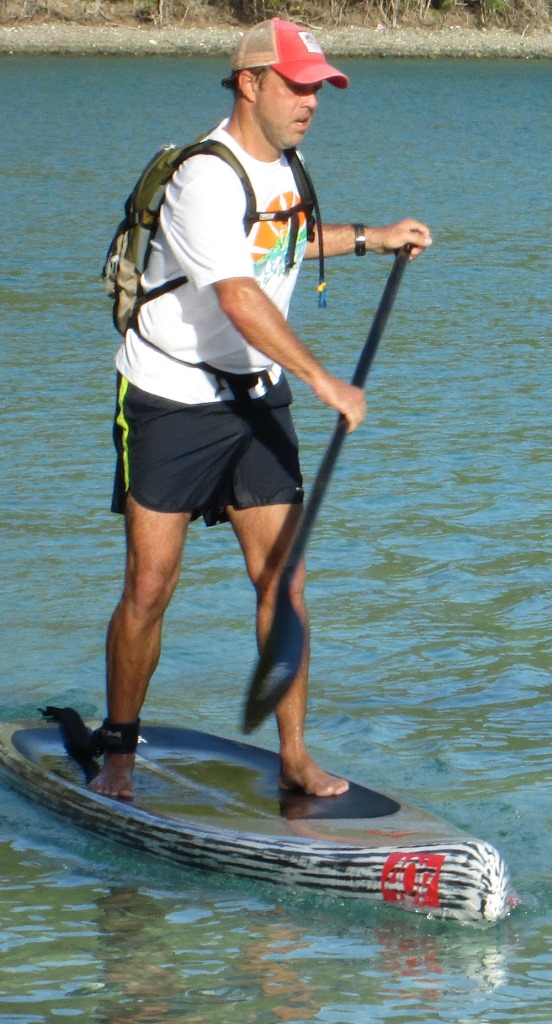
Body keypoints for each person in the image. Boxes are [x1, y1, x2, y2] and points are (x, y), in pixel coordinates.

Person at [91, 17, 432, 801]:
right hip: (172, 396)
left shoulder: (288, 166)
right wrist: (322, 379)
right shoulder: (202, 178)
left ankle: (296, 756)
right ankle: (118, 752)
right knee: (150, 583)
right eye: (297, 85)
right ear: (249, 83)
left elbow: (281, 243)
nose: (311, 100)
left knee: (285, 579)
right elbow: (240, 294)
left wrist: (371, 237)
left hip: (253, 398)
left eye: (319, 87)